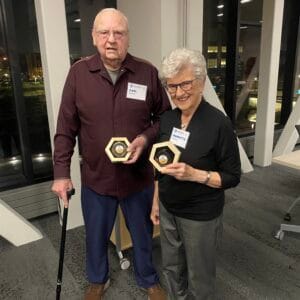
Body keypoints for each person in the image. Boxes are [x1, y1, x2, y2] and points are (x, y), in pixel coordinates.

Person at [51, 8, 170, 300]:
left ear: (128, 38)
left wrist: (144, 138)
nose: (111, 39)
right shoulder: (79, 74)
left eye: (118, 33)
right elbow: (65, 128)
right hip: (97, 177)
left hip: (137, 177)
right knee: (95, 235)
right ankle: (97, 279)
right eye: (104, 33)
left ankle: (147, 278)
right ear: (94, 37)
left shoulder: (147, 72)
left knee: (142, 234)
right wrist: (61, 174)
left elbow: (165, 120)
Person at [151, 48, 241, 300]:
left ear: (201, 82)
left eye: (185, 84)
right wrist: (156, 201)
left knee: (199, 277)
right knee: (171, 267)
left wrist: (195, 174)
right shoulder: (168, 119)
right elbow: (160, 164)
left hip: (200, 215)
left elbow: (233, 176)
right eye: (172, 87)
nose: (179, 93)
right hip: (168, 207)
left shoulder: (218, 124)